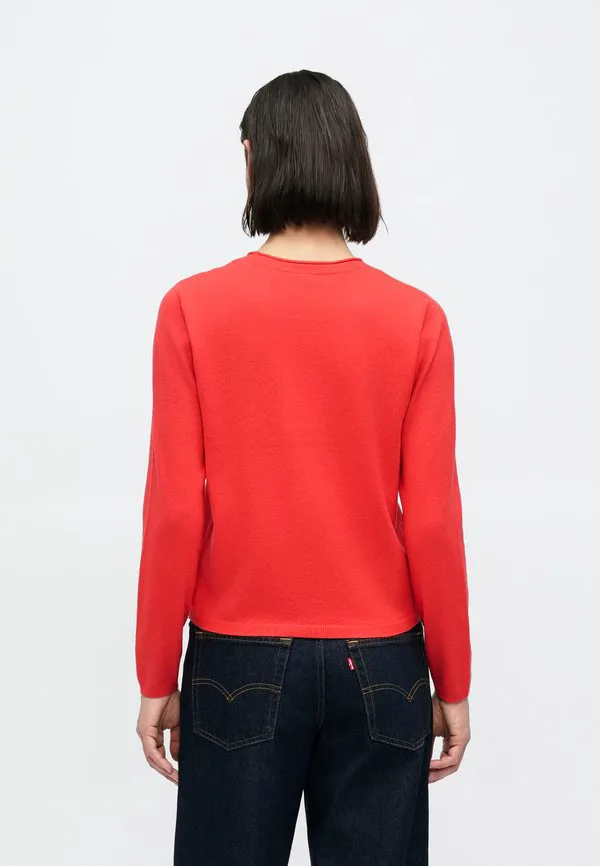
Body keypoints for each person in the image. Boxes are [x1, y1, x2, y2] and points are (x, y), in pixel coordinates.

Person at [135, 69, 471, 866]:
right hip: (383, 663)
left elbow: (176, 511)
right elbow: (431, 521)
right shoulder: (417, 319)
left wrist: (155, 673)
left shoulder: (191, 309)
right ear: (353, 161)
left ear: (252, 160)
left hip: (237, 659)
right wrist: (453, 682)